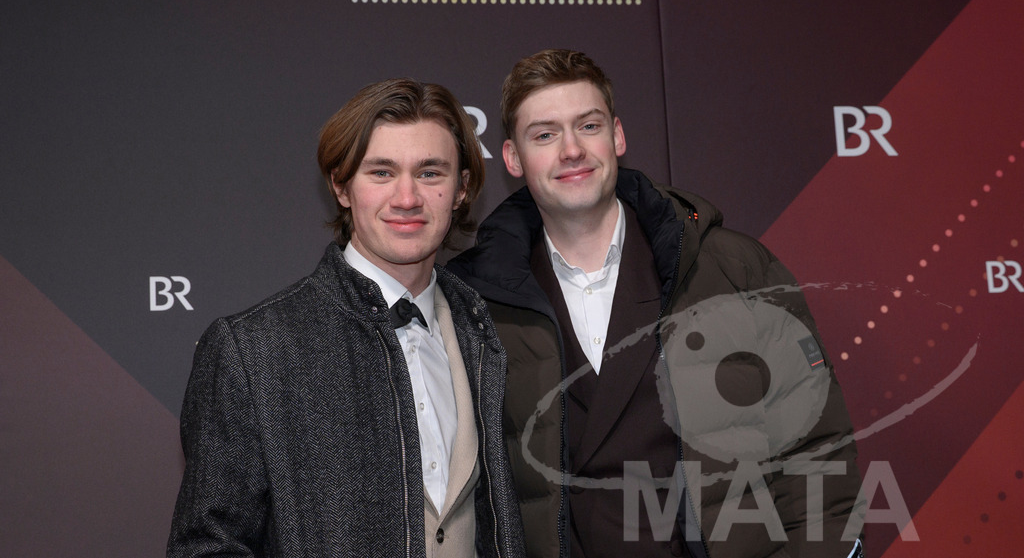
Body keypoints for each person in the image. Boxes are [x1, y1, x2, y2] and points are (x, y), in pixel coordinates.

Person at [448, 50, 865, 558]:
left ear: (618, 136)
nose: (572, 150)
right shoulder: (475, 301)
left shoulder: (734, 270)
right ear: (513, 158)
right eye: (545, 135)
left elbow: (816, 444)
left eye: (588, 126)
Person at [167, 78, 525, 558]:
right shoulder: (253, 349)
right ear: (341, 185)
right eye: (381, 172)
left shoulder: (484, 332)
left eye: (429, 173)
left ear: (461, 189)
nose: (406, 198)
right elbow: (209, 547)